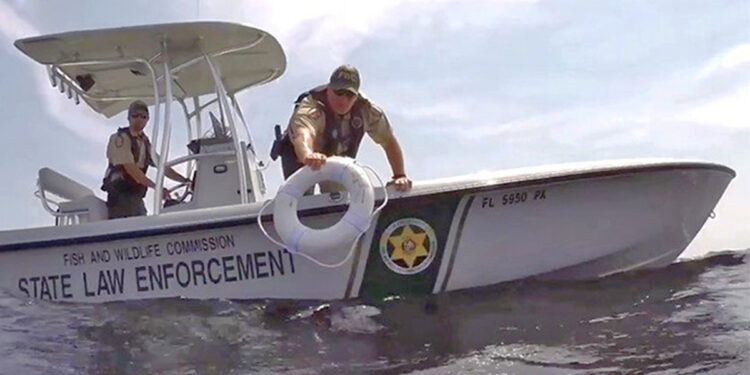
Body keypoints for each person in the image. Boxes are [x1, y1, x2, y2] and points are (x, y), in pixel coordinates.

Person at [272, 65, 412, 192]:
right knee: (301, 197)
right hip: (300, 158)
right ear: (329, 89)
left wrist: (400, 175)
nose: (343, 100)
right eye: (338, 93)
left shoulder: (367, 110)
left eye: (349, 95)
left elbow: (388, 141)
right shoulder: (312, 106)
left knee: (340, 198)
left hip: (336, 159)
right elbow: (302, 134)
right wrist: (308, 155)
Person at [101, 100, 190, 219]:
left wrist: (185, 181)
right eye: (135, 115)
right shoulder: (120, 138)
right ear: (128, 118)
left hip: (136, 196)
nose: (139, 119)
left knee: (143, 220)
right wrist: (157, 187)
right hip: (120, 197)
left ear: (148, 119)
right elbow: (131, 169)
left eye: (143, 116)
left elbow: (163, 167)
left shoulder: (144, 142)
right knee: (129, 230)